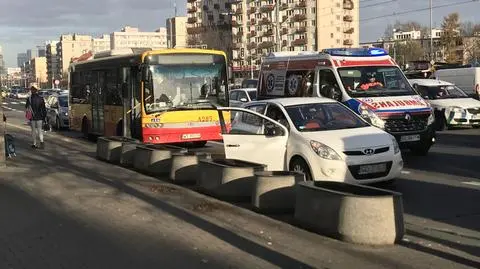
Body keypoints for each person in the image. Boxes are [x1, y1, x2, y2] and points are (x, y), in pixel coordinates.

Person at [25, 83, 47, 149]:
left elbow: (26, 107)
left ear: (31, 91)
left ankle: (34, 143)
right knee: (40, 130)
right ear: (37, 91)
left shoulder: (29, 99)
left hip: (32, 117)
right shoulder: (41, 99)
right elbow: (43, 109)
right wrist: (44, 117)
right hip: (39, 116)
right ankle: (42, 142)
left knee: (33, 130)